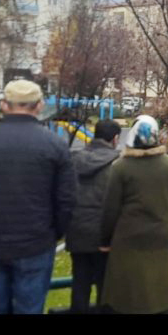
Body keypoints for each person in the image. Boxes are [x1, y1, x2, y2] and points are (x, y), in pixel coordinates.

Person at [0, 80, 76, 314]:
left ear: (4, 105)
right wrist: (54, 233)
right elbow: (67, 200)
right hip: (35, 245)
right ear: (39, 106)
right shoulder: (55, 145)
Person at [100, 115, 168, 314]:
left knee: (131, 295)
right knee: (162, 293)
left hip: (128, 241)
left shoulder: (121, 167)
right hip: (164, 239)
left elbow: (110, 208)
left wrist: (105, 240)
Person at [66, 119, 121, 313]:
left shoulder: (73, 160)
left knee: (79, 285)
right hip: (104, 236)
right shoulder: (117, 164)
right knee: (105, 289)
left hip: (77, 231)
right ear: (115, 139)